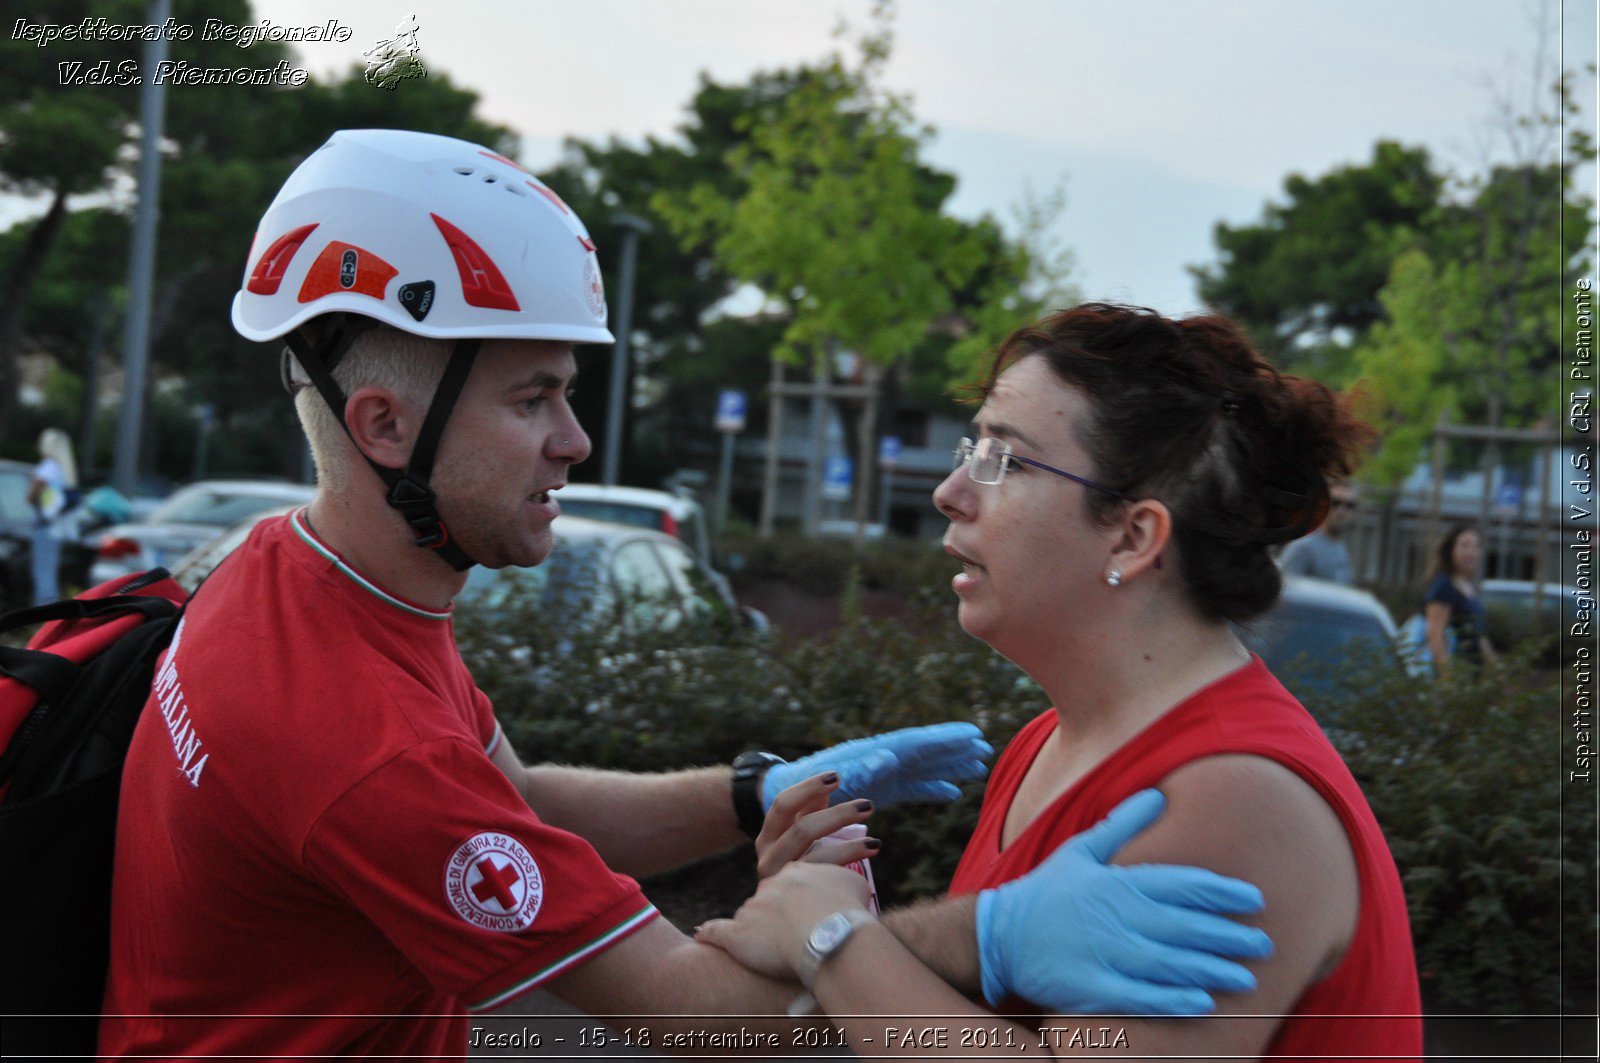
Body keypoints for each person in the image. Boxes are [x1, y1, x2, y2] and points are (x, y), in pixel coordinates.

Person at [99, 133, 1273, 1059]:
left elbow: (519, 799)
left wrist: (761, 785)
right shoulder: (362, 743)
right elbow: (708, 1019)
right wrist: (976, 928)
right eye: (535, 398)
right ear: (386, 425)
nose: (575, 440)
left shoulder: (289, 575)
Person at [699, 303, 1423, 1058]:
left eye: (1002, 459)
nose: (950, 491)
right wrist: (835, 907)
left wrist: (830, 936)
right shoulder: (1050, 740)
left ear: (1134, 535)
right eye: (969, 446)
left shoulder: (1232, 796)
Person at [1422, 522, 1498, 674]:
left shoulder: (1470, 587)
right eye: (1464, 546)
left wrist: (1497, 669)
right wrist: (1446, 678)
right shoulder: (1444, 585)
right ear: (1451, 551)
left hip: (1471, 676)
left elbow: (1478, 636)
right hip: (1455, 677)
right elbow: (1435, 634)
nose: (1471, 552)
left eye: (1475, 547)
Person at [27, 427, 78, 605]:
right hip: (57, 528)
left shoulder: (48, 467)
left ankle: (43, 616)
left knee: (43, 573)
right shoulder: (64, 468)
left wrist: (34, 499)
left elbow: (33, 494)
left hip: (46, 526)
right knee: (50, 571)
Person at [1277, 479, 1358, 584]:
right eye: (1335, 503)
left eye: (1349, 505)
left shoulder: (1340, 546)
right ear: (1322, 506)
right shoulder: (1303, 547)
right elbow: (1286, 591)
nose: (1342, 511)